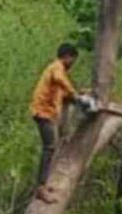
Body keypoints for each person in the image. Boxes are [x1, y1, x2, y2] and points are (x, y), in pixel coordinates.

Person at [30, 43, 94, 204]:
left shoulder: (58, 74)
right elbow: (61, 81)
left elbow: (67, 95)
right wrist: (76, 95)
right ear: (67, 57)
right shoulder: (57, 68)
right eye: (73, 60)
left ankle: (42, 185)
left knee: (51, 146)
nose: (72, 64)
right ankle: (41, 188)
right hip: (42, 112)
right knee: (49, 147)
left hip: (46, 113)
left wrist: (80, 96)